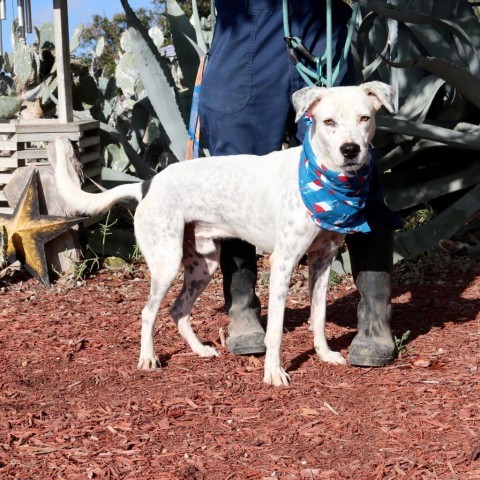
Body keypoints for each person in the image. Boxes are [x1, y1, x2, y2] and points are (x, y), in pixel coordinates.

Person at [198, 0, 402, 366]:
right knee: (235, 169)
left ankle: (374, 318)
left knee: (355, 169)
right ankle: (242, 307)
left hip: (319, 20)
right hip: (246, 25)